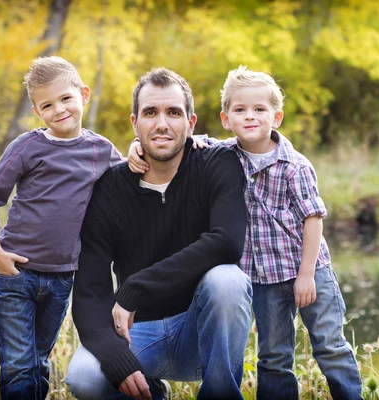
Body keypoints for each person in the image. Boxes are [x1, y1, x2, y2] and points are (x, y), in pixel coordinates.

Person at [130, 66, 362, 399]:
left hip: (309, 271)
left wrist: (307, 274)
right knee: (274, 356)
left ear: (276, 117)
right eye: (240, 110)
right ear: (226, 119)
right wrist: (135, 147)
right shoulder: (224, 156)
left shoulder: (294, 165)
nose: (249, 116)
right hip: (264, 279)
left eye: (259, 109)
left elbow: (313, 218)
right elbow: (181, 141)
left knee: (329, 344)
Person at [65, 67, 253, 400]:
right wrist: (115, 357)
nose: (162, 124)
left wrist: (136, 286)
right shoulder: (109, 188)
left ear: (191, 123)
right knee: (84, 378)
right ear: (135, 122)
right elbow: (91, 291)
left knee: (228, 280)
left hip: (199, 334)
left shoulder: (217, 164)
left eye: (173, 112)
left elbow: (227, 243)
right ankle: (151, 391)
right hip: (137, 335)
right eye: (150, 112)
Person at [0, 56, 124, 399]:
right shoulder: (27, 147)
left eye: (66, 99)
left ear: (84, 94)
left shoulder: (100, 150)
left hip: (61, 277)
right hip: (15, 274)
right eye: (48, 105)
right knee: (18, 366)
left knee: (39, 362)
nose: (59, 110)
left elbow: (130, 178)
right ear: (39, 113)